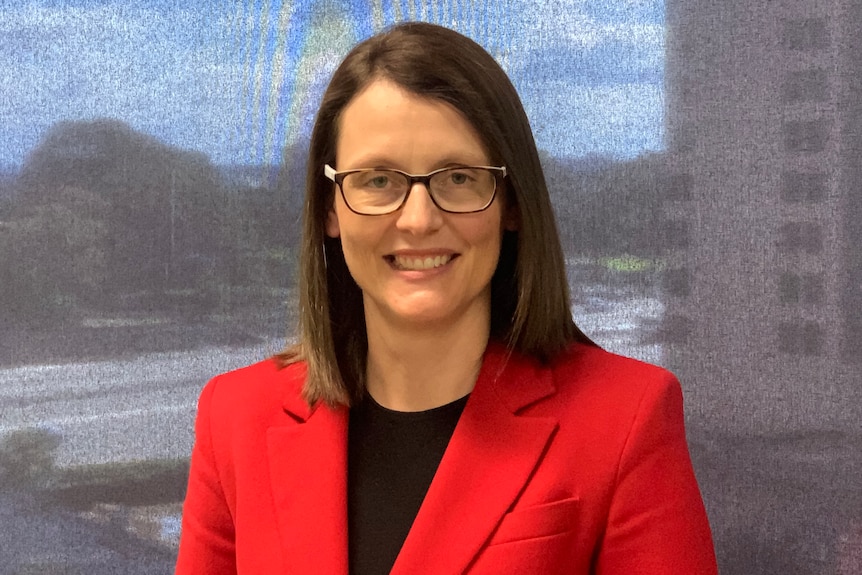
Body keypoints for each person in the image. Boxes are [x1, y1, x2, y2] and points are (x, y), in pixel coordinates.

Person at [175, 21, 718, 575]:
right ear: (328, 208)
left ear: (511, 203)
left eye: (458, 177)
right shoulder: (234, 417)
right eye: (377, 180)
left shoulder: (626, 418)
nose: (417, 220)